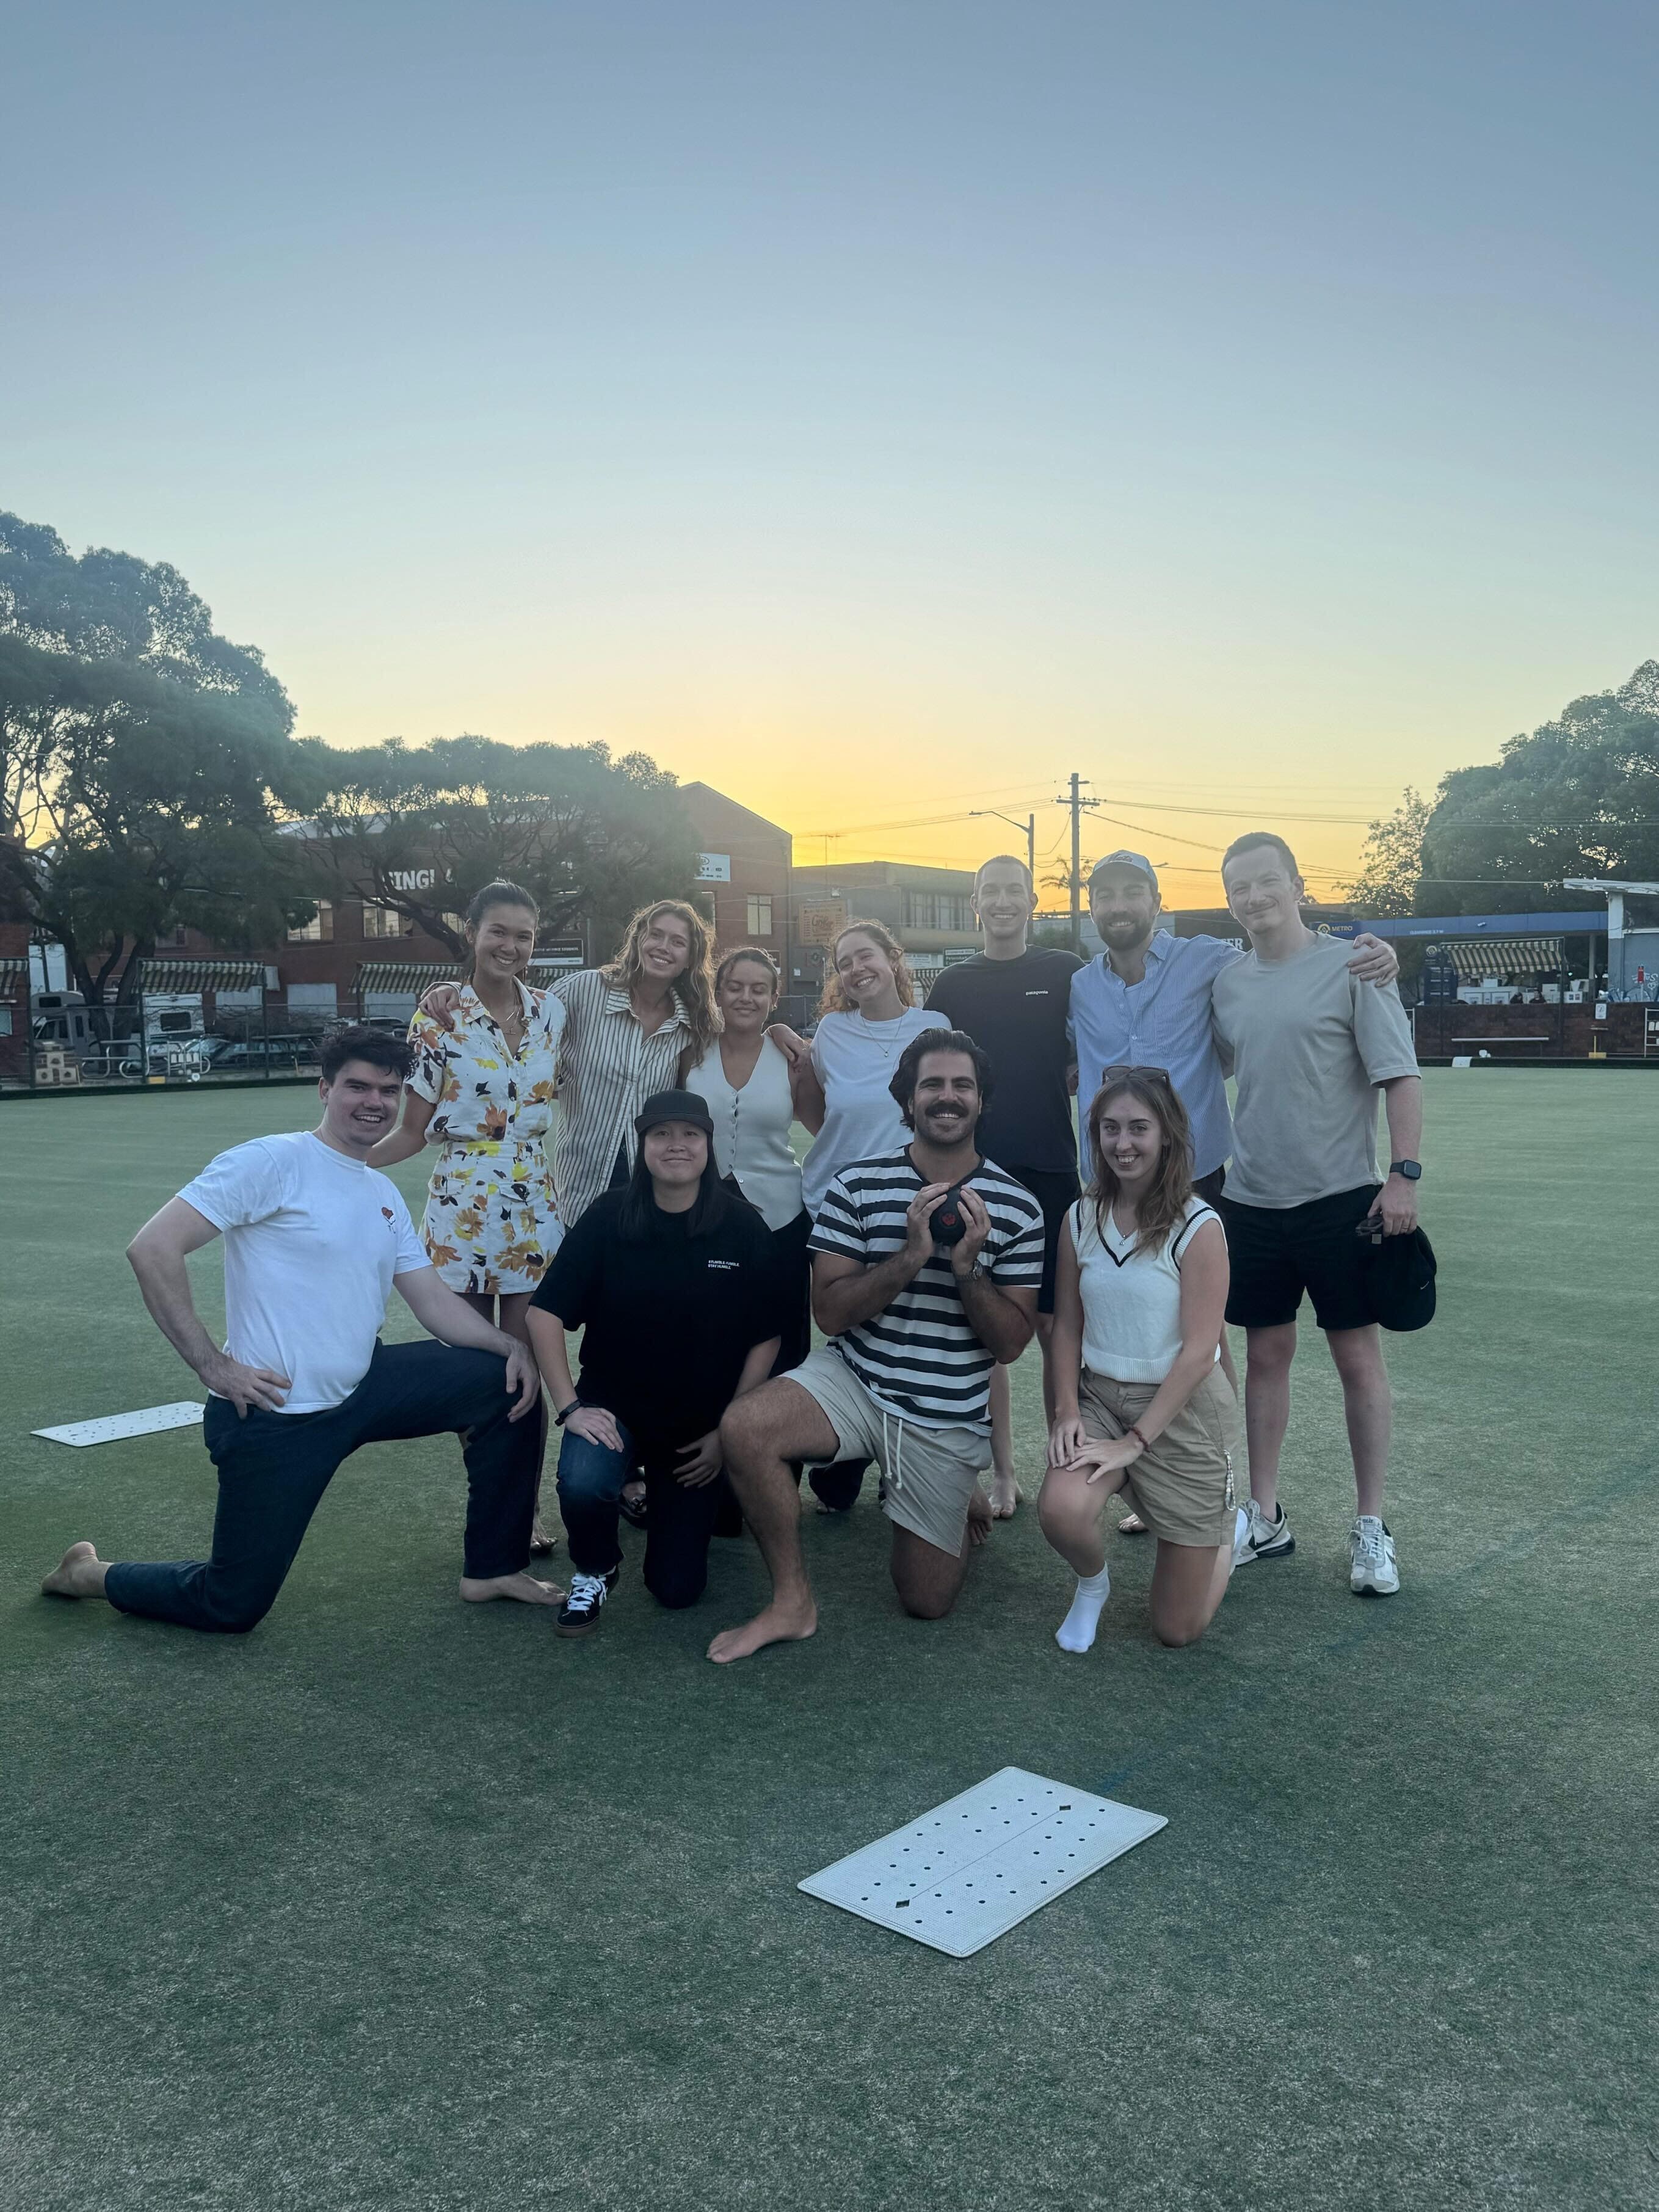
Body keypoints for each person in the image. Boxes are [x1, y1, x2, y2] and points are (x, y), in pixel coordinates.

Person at [40, 1026, 554, 1633]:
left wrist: (508, 1344)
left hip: (366, 1387)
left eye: (388, 1090)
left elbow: (432, 1301)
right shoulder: (272, 1161)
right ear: (325, 1090)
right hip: (277, 1410)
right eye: (357, 1086)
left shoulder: (381, 1191)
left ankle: (492, 1568)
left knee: (503, 1379)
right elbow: (153, 1248)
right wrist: (212, 1365)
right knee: (231, 1604)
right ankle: (89, 1574)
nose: (374, 1102)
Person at [1068, 848, 1399, 1532]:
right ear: (1092, 906)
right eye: (1105, 895)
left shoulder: (1208, 961)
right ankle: (1174, 1489)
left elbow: (1284, 954)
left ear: (1157, 901)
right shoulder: (1078, 984)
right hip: (1117, 1184)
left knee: (1208, 1338)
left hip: (1201, 1179)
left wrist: (1374, 950)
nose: (1119, 905)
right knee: (1142, 1332)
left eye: (1132, 892)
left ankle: (1215, 1493)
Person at [707, 1030, 1045, 1665]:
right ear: (908, 1099)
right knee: (745, 1427)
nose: (947, 1097)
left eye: (962, 1085)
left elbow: (1009, 1345)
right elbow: (831, 1314)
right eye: (931, 1084)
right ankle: (790, 1602)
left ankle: (953, 1492)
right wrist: (911, 1256)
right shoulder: (858, 1184)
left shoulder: (1016, 1206)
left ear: (981, 1100)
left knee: (926, 1600)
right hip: (857, 1380)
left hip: (942, 1411)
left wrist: (967, 1271)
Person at [418, 896, 721, 1531]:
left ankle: (629, 1470)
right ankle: (514, 1508)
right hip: (571, 1198)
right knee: (518, 1357)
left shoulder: (691, 1018)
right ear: (637, 936)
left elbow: (729, 1054)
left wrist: (784, 1034)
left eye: (679, 941)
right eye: (656, 934)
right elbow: (508, 1008)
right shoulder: (580, 993)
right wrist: (449, 992)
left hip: (648, 1203)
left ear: (692, 956)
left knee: (635, 1337)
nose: (664, 947)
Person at [1210, 832, 1423, 1595]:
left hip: (1341, 1200)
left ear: (1297, 885)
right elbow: (1220, 1064)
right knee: (1264, 1357)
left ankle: (1370, 1524)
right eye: (1238, 887)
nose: (1253, 897)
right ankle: (1264, 1515)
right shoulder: (1226, 982)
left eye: (1266, 881)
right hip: (1250, 1200)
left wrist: (1401, 1177)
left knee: (1356, 1359)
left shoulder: (1354, 966)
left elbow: (1400, 1077)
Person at [526, 1091, 781, 1634]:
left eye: (690, 1134)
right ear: (642, 1145)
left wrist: (728, 1430)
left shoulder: (741, 1225)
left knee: (676, 1591)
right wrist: (570, 1407)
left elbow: (766, 1336)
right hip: (612, 1411)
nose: (675, 1146)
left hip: (696, 1433)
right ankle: (595, 1568)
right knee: (582, 1483)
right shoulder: (608, 1215)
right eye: (661, 1134)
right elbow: (543, 1313)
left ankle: (665, 1502)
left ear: (708, 1145)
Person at [369, 880, 565, 1552]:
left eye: (523, 935)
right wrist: (339, 1165)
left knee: (529, 1361)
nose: (510, 946)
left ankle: (525, 1509)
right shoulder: (437, 1020)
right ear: (472, 933)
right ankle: (494, 1507)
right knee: (480, 1373)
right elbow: (410, 1130)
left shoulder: (552, 1012)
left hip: (533, 1204)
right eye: (498, 932)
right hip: (462, 1206)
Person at [1039, 1068, 1246, 1653]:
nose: (1122, 1143)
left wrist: (1134, 1443)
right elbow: (1066, 1326)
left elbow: (1200, 1352)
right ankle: (1091, 1587)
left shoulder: (1199, 1225)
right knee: (1061, 1510)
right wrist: (1066, 1411)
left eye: (1138, 1128)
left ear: (1167, 1135)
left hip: (1182, 1412)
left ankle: (1229, 1531)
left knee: (1176, 1630)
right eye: (1109, 1128)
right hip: (1100, 1399)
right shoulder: (1080, 1216)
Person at [926, 854, 1083, 1516]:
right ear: (975, 904)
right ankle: (1001, 1472)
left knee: (1053, 1324)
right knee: (981, 1324)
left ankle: (1065, 1468)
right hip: (973, 1174)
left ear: (1031, 900)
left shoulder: (1066, 971)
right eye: (989, 891)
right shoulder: (951, 985)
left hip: (1050, 1170)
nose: (1001, 902)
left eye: (1013, 891)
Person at [796, 918, 950, 1511]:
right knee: (845, 1324)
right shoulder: (831, 1031)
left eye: (865, 956)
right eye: (844, 963)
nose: (856, 969)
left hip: (909, 1204)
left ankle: (900, 1457)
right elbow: (818, 1111)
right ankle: (844, 1454)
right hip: (833, 1203)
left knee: (906, 1332)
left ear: (892, 959)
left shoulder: (934, 1027)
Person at [686, 945, 821, 1378]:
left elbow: (822, 1126)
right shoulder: (690, 1052)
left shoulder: (792, 1058)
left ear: (773, 998)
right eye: (735, 987)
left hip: (781, 1218)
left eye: (759, 990)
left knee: (783, 1335)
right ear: (718, 993)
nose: (746, 998)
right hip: (702, 1214)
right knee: (709, 1331)